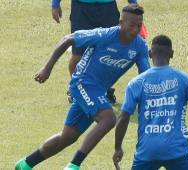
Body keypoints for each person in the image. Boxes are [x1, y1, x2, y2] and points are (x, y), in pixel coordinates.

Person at [15, 4, 149, 170]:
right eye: (132, 25)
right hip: (82, 82)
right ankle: (73, 166)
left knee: (68, 137)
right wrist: (47, 68)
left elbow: (146, 75)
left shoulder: (140, 46)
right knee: (108, 119)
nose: (136, 29)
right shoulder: (105, 35)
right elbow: (68, 39)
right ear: (121, 22)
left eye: (139, 25)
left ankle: (25, 164)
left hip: (97, 91)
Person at [113, 35, 188, 170]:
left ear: (150, 54)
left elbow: (123, 117)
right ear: (172, 54)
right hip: (177, 150)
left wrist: (118, 147)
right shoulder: (185, 79)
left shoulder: (136, 83)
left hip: (146, 151)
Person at [51, 0, 142, 104]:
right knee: (78, 55)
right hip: (82, 8)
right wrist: (55, 4)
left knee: (110, 54)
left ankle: (104, 90)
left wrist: (133, 3)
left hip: (108, 8)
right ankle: (75, 89)